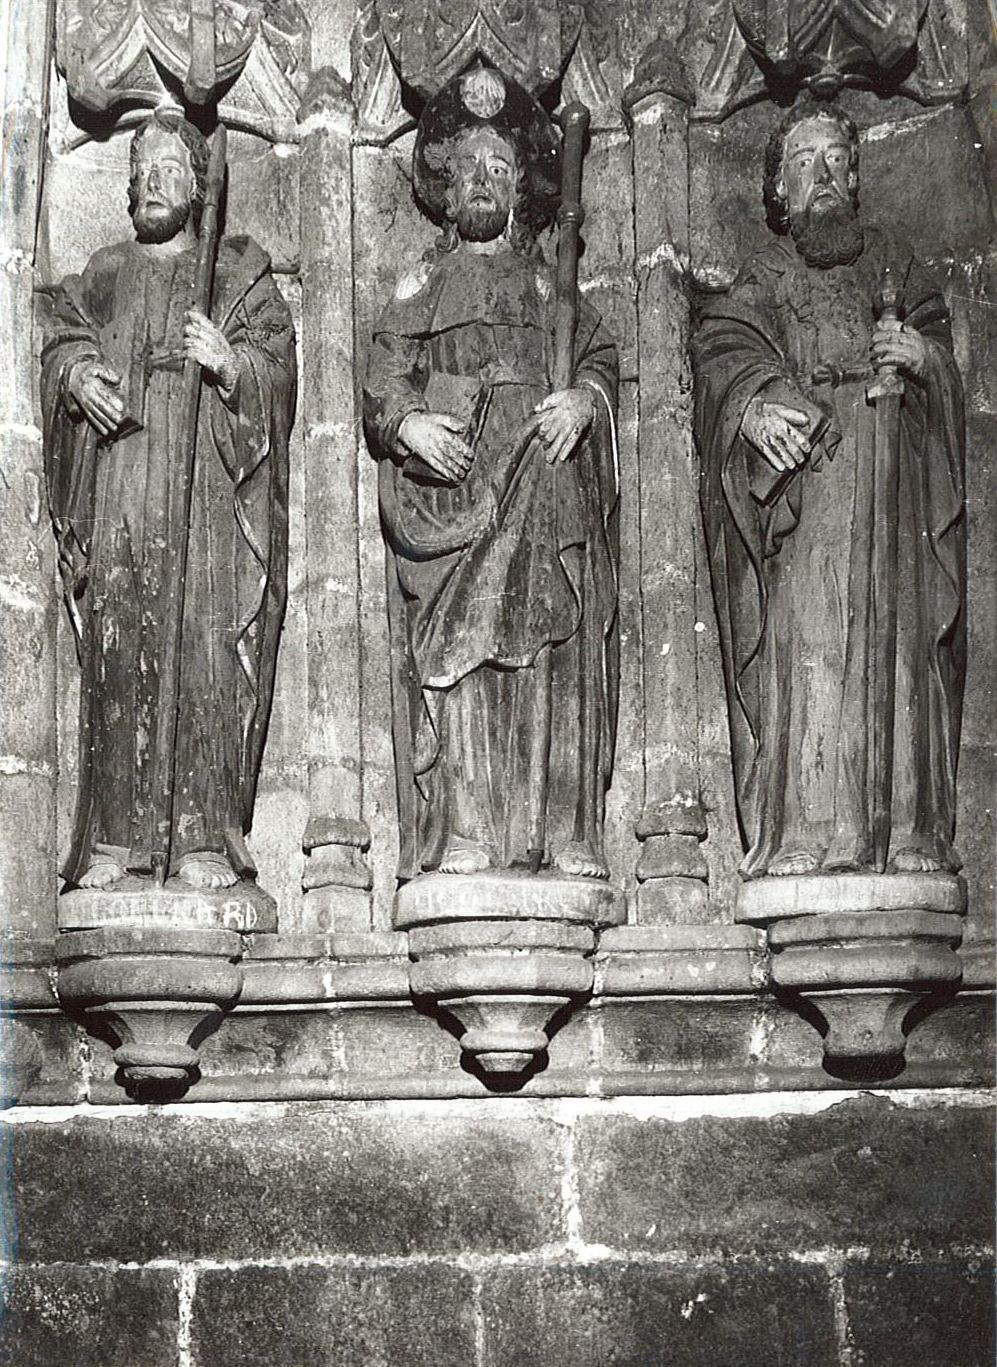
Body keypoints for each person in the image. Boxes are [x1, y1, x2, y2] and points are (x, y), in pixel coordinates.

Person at [694, 95, 965, 879]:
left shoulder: (895, 264)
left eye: (836, 160)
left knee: (901, 646)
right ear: (778, 188)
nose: (822, 173)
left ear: (853, 181)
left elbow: (945, 367)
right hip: (808, 494)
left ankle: (908, 828)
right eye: (803, 161)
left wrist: (919, 358)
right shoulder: (764, 274)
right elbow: (722, 355)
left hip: (891, 488)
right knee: (808, 646)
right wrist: (752, 409)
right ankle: (801, 832)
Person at [364, 66, 619, 880]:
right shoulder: (422, 288)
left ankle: (560, 828)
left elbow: (599, 363)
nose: (481, 179)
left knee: (554, 644)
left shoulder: (551, 288)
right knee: (464, 652)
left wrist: (584, 400)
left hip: (544, 490)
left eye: (499, 168)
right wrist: (408, 424)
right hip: (459, 500)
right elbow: (382, 379)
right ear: (444, 191)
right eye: (468, 167)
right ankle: (465, 828)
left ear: (519, 191)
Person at [41, 108, 296, 891]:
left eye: (168, 169)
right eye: (140, 171)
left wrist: (230, 364)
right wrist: (77, 376)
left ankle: (201, 835)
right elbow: (56, 335)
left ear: (198, 183)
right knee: (118, 649)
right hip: (122, 484)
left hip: (207, 502)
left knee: (205, 648)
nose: (150, 182)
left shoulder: (236, 272)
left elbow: (276, 369)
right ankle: (113, 837)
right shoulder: (105, 271)